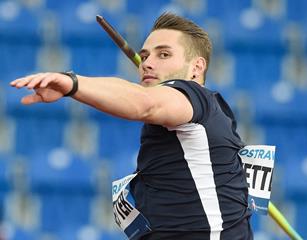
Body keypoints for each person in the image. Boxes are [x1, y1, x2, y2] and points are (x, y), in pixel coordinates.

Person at [10, 13, 253, 240]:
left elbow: (144, 103)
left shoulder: (191, 96)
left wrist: (72, 84)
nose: (147, 63)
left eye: (164, 54)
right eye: (145, 56)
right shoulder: (207, 113)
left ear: (196, 68)